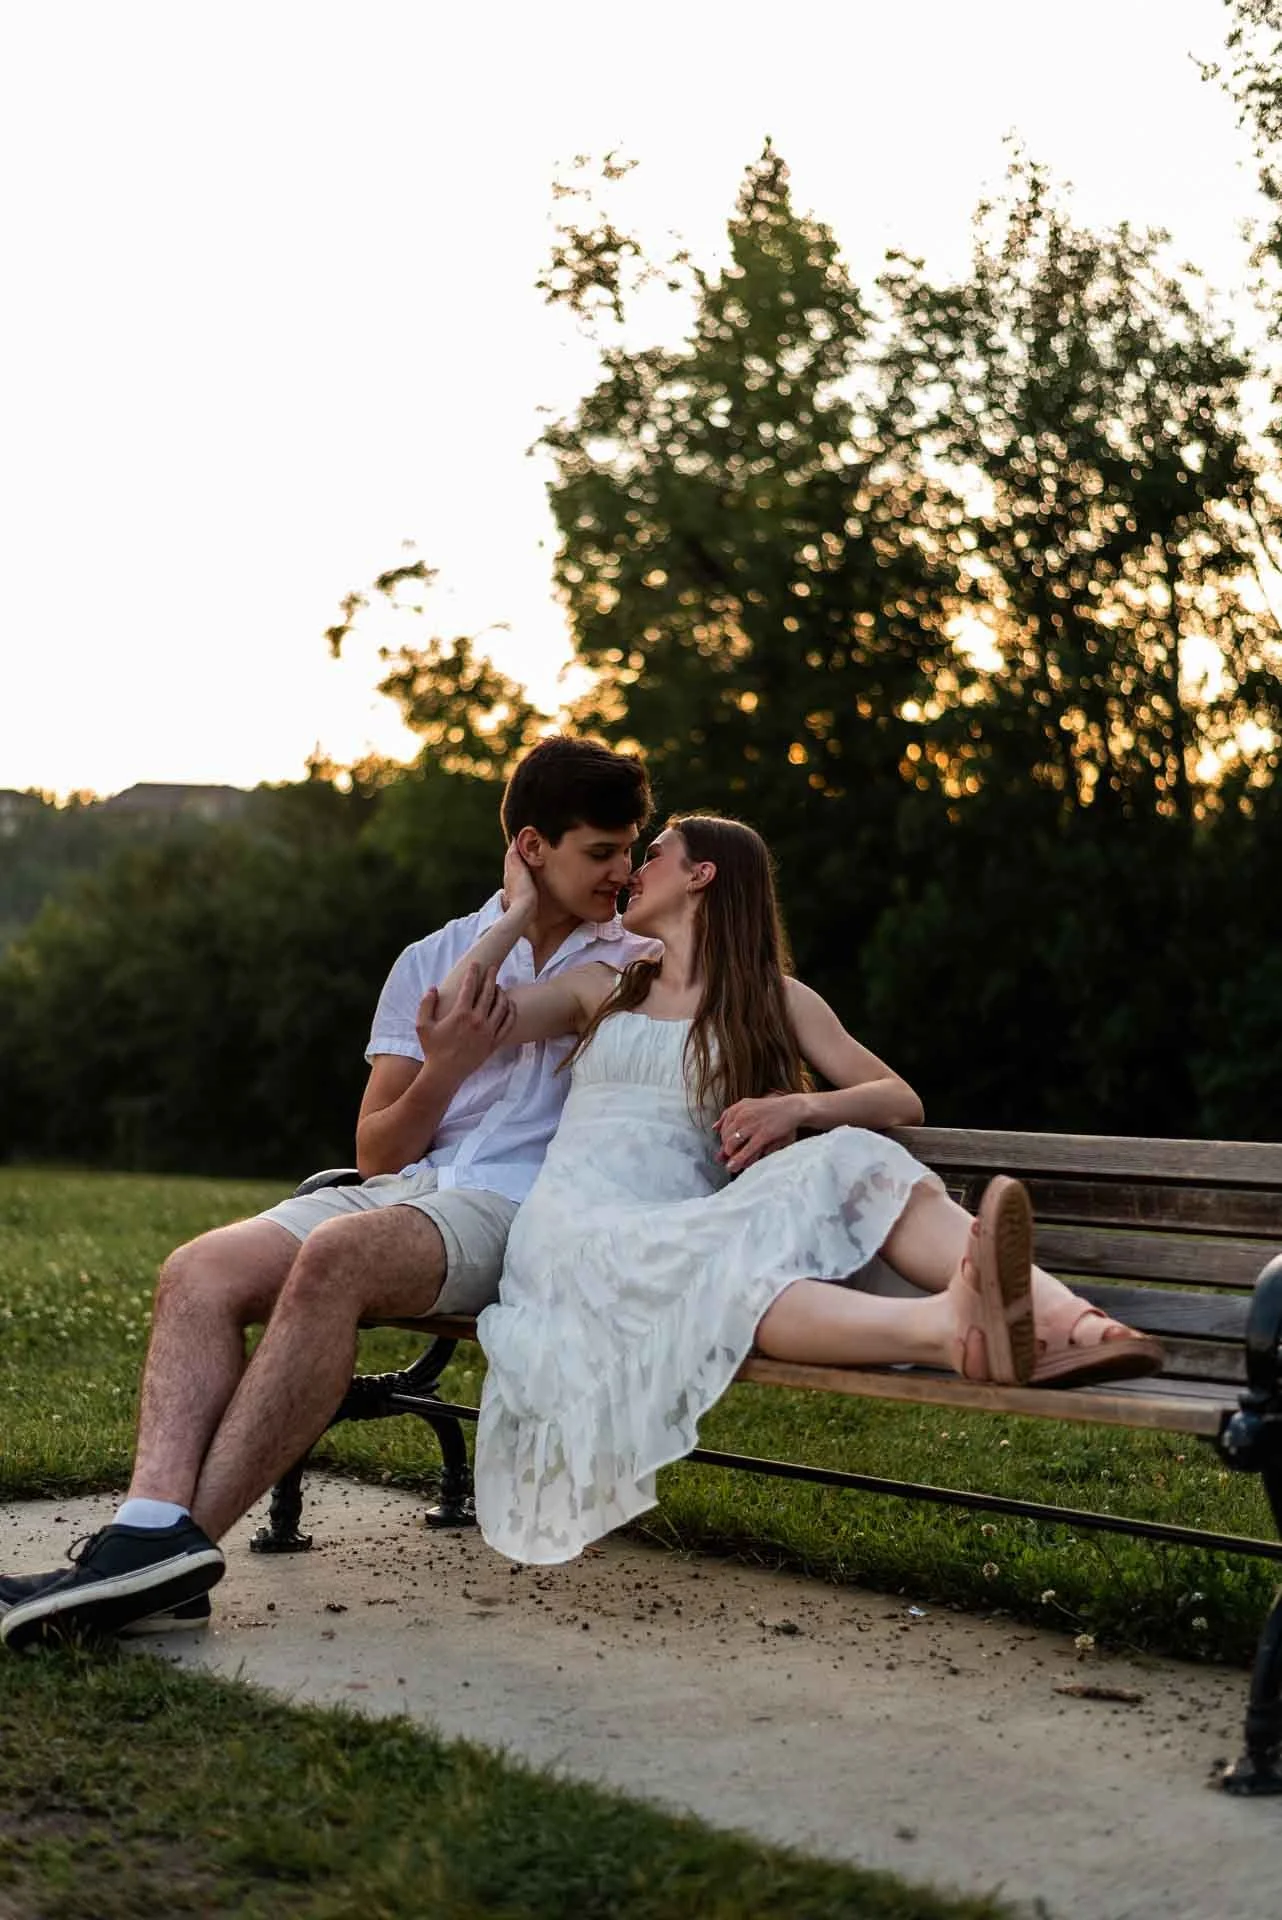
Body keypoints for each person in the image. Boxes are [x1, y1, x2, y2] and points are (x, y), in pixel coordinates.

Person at [0, 737, 656, 1649]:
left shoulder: (639, 961)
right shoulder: (432, 956)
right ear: (533, 848)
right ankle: (150, 1531)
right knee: (197, 1271)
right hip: (411, 1185)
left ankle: (164, 1556)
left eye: (631, 850)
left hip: (525, 1210)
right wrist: (451, 1056)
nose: (624, 872)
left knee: (335, 1259)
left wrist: (504, 947)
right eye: (602, 852)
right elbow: (378, 1148)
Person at [426, 814, 1164, 1566]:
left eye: (652, 856)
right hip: (577, 1236)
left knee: (853, 1152)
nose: (631, 872)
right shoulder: (602, 989)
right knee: (723, 1273)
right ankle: (954, 1327)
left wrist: (800, 1108)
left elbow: (898, 1098)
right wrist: (517, 909)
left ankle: (1076, 1325)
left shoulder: (772, 999)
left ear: (701, 875)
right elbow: (451, 1016)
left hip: (686, 1217)